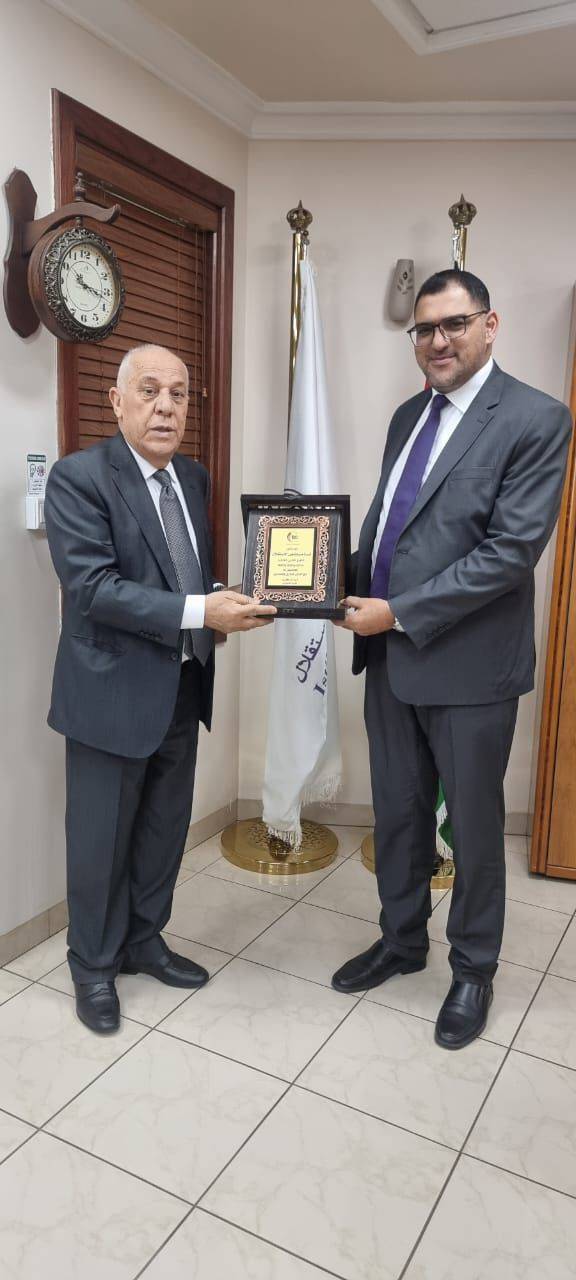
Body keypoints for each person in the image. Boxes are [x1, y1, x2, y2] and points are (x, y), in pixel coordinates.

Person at [332, 270, 572, 1049]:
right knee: (398, 815)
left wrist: (398, 610)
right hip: (390, 663)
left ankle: (473, 970)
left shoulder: (536, 418)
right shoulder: (409, 415)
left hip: (470, 669)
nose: (437, 341)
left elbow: (509, 552)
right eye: (424, 329)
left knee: (471, 829)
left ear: (489, 325)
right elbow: (393, 529)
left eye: (454, 324)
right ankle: (402, 941)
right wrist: (318, 583)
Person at [45, 343, 275, 1034]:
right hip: (110, 694)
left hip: (181, 686)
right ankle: (92, 966)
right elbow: (94, 589)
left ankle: (145, 942)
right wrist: (203, 611)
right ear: (117, 401)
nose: (166, 407)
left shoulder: (193, 479)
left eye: (178, 394)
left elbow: (183, 576)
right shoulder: (79, 478)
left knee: (162, 832)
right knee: (99, 841)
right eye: (149, 391)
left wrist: (227, 598)